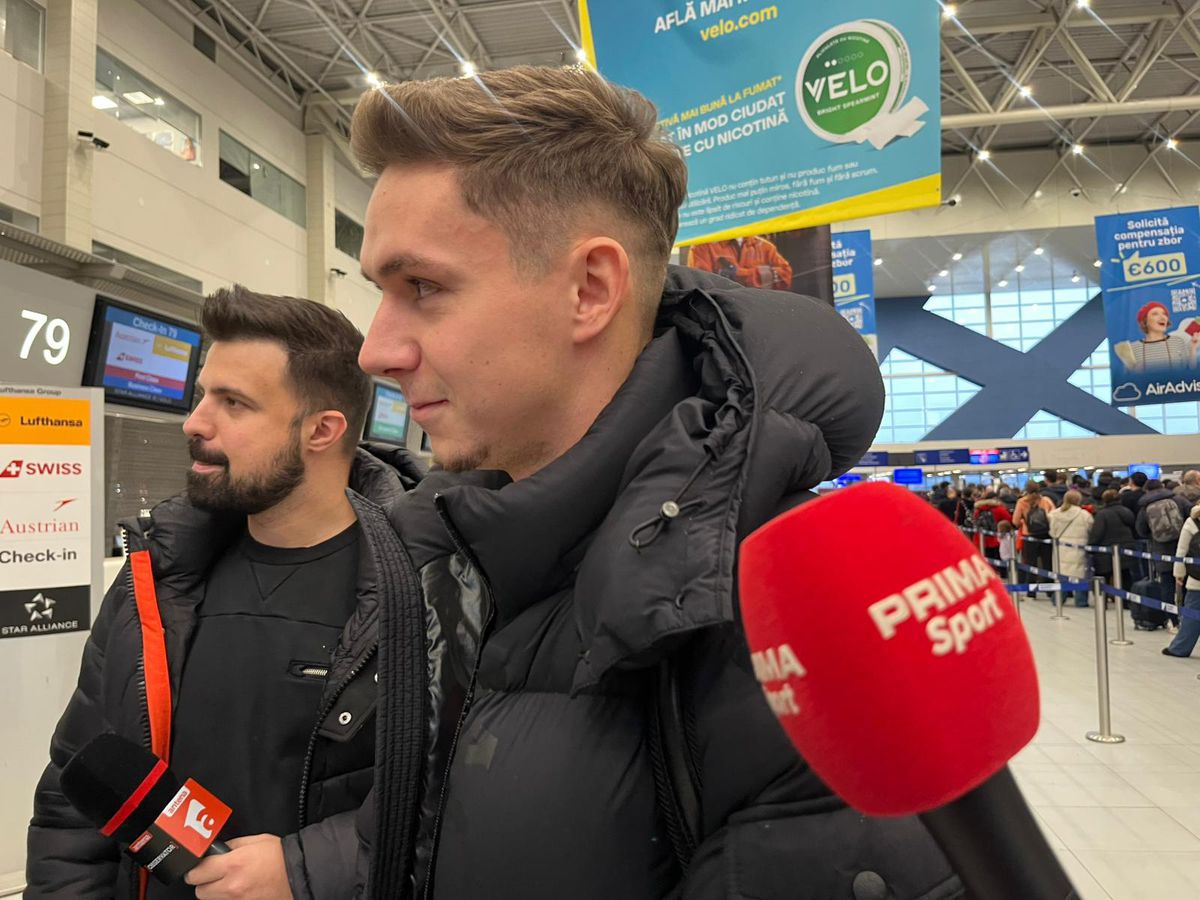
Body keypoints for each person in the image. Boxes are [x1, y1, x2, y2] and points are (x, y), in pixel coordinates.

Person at [349, 66, 962, 898]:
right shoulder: (446, 555)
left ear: (590, 290)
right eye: (381, 293)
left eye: (422, 287)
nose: (375, 350)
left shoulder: (803, 632)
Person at [26, 289, 423, 900]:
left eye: (233, 403)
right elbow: (75, 794)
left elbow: (450, 803)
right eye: (201, 394)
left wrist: (304, 870)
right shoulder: (158, 580)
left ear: (322, 430)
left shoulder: (423, 592)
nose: (195, 422)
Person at [1136, 479, 1191, 623]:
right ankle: (1189, 617)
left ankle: (1172, 620)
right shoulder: (1179, 500)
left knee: (1167, 585)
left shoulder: (1145, 507)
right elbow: (1192, 517)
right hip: (1184, 548)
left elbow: (1141, 530)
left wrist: (1153, 536)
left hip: (1161, 550)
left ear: (1147, 490)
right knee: (1186, 583)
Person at [687, 234, 793, 290]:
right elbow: (701, 286)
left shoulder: (765, 247)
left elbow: (786, 276)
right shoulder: (702, 247)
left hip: (759, 312)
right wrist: (763, 275)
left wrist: (739, 274)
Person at [1114, 302, 1198, 371]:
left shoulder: (1177, 341)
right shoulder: (1133, 348)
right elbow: (1127, 379)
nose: (1162, 317)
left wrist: (1193, 349)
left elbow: (1190, 371)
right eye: (1155, 314)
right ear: (1145, 321)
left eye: (1164, 314)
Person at [1163, 502, 1200, 658]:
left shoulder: (1192, 521)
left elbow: (1182, 550)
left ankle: (1180, 648)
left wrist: (1179, 574)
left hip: (1197, 578)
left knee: (1192, 614)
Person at [1049, 491, 1094, 607]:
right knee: (1080, 574)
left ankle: (1058, 599)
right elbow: (1091, 529)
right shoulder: (1084, 515)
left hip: (1061, 548)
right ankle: (1081, 601)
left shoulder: (1054, 514)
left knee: (1061, 574)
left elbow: (1052, 532)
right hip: (1079, 548)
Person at [1088, 489, 1137, 588]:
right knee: (1125, 576)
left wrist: (1090, 546)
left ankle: (1106, 597)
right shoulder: (1127, 511)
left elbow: (1097, 534)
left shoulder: (1102, 514)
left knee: (1104, 579)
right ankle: (1126, 596)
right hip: (1126, 549)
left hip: (1106, 553)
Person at [1013, 482, 1055, 582]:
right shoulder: (1046, 500)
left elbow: (1015, 521)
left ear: (1026, 490)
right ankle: (1049, 586)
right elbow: (1054, 516)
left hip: (1029, 536)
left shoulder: (1021, 502)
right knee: (1047, 563)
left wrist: (1023, 522)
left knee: (1030, 564)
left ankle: (1031, 587)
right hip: (1045, 535)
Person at [972, 489, 1012, 561]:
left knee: (986, 560)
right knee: (998, 561)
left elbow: (975, 522)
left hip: (981, 539)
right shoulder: (999, 509)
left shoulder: (978, 509)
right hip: (996, 539)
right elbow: (1009, 520)